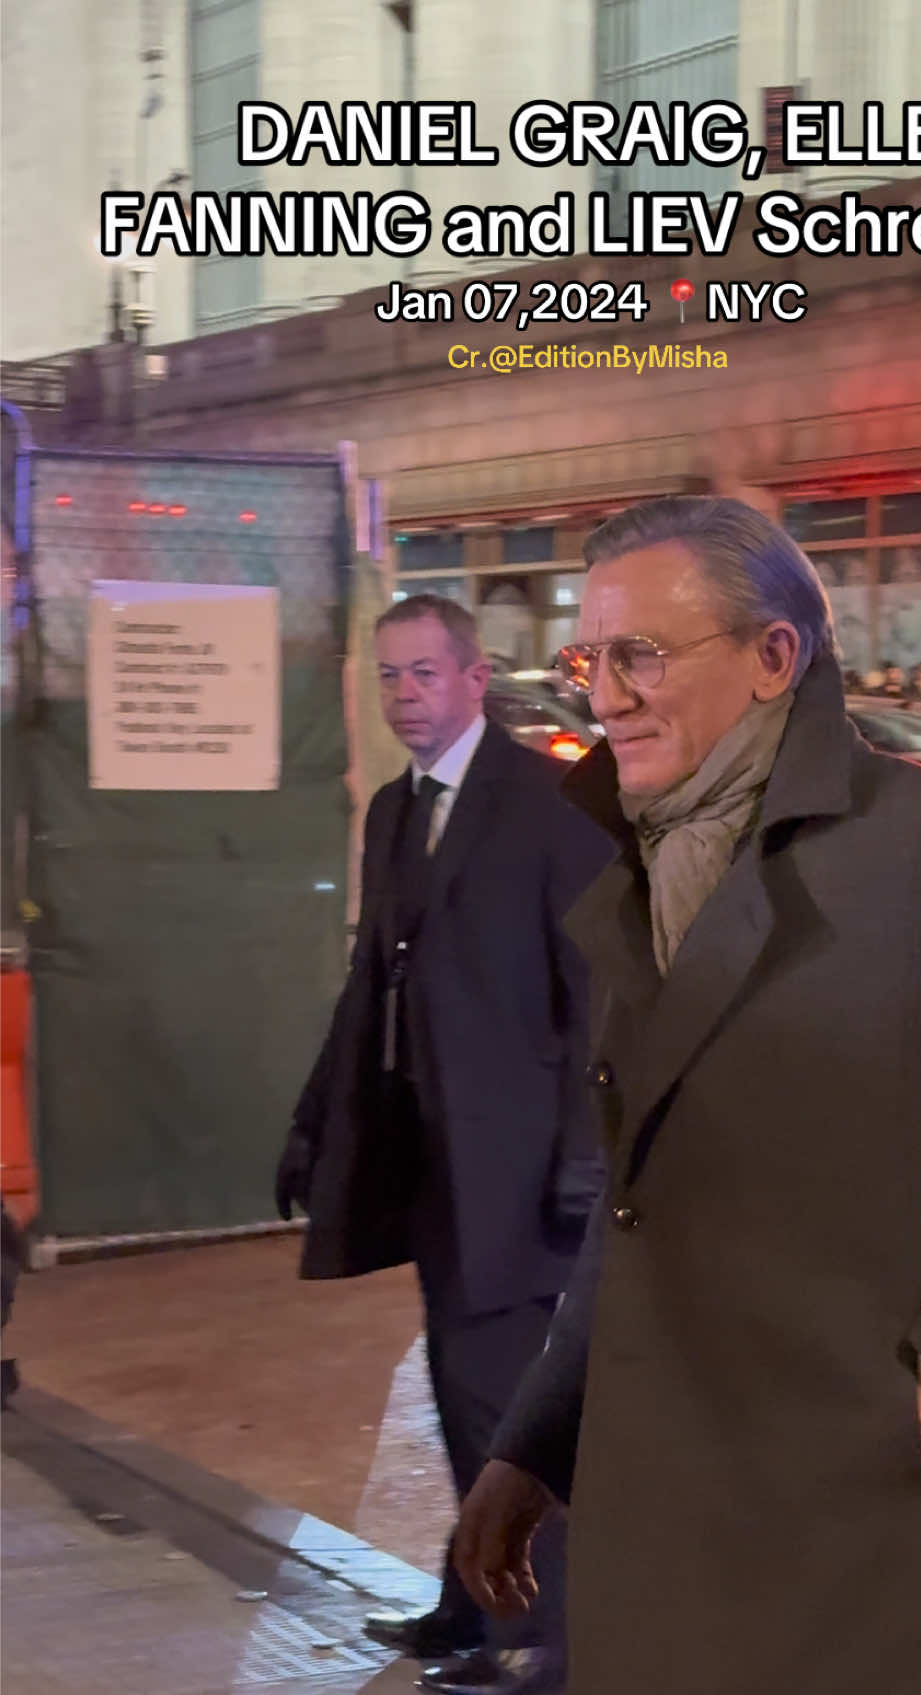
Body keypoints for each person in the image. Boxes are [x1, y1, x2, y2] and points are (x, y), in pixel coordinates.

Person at [448, 496, 921, 1695]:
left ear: (774, 658)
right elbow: (641, 1206)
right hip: (675, 1519)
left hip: (860, 1531)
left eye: (641, 654)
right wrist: (532, 1446)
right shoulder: (649, 868)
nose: (605, 693)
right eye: (593, 657)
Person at [275, 594, 611, 1695]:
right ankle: (474, 1605)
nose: (405, 696)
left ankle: (551, 1641)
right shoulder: (392, 810)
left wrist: (578, 1158)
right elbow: (373, 979)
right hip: (427, 1162)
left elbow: (594, 997)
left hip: (517, 1175)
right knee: (465, 1391)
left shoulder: (551, 803)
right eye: (388, 677)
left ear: (475, 677)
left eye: (424, 674)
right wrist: (319, 1118)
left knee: (508, 1405)